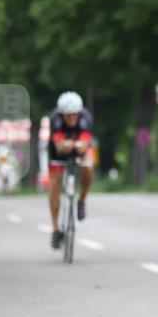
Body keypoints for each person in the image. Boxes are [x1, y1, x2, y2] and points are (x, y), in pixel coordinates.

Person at [47, 91, 94, 249]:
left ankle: (82, 199)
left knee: (88, 166)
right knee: (55, 180)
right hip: (58, 151)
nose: (71, 118)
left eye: (74, 115)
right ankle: (55, 230)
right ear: (62, 114)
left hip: (80, 146)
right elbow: (59, 146)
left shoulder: (86, 119)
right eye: (67, 115)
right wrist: (65, 145)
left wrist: (80, 146)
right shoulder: (55, 120)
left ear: (79, 113)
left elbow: (85, 144)